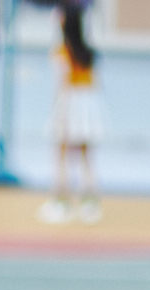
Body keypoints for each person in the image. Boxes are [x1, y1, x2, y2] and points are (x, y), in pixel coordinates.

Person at [39, 3, 103, 225]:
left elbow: (61, 85)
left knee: (61, 157)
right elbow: (97, 85)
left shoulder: (62, 51)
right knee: (87, 158)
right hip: (88, 105)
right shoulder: (88, 52)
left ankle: (61, 203)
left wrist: (59, 114)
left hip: (69, 104)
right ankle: (90, 205)